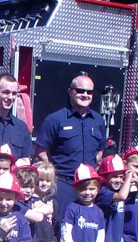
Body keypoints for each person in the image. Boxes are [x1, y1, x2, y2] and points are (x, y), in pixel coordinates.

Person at [35, 75, 108, 216]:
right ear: (70, 91)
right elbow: (40, 151)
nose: (85, 95)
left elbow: (100, 149)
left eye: (89, 92)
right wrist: (53, 174)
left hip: (88, 185)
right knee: (61, 224)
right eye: (80, 91)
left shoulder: (98, 120)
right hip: (63, 184)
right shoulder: (54, 119)